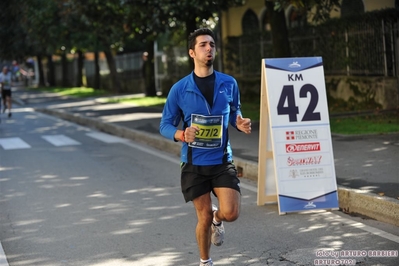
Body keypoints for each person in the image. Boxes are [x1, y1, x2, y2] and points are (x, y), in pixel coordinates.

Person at [159, 28, 251, 266]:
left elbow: (234, 112)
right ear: (192, 52)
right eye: (202, 45)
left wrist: (239, 122)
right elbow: (165, 125)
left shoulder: (229, 83)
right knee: (203, 216)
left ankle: (217, 221)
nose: (209, 48)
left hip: (221, 161)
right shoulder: (179, 89)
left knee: (230, 213)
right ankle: (205, 261)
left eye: (211, 44)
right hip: (194, 164)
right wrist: (181, 133)